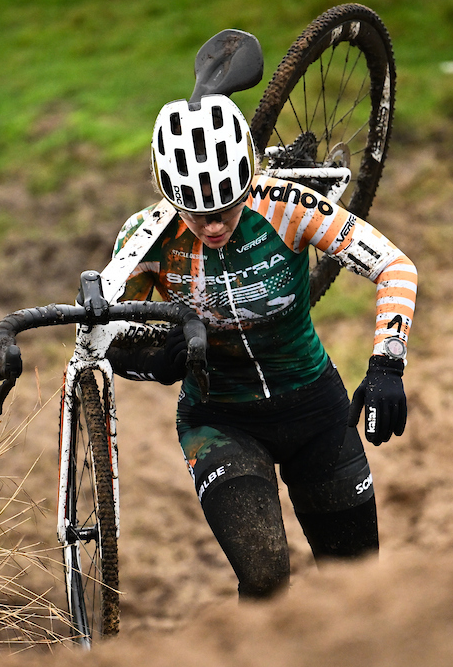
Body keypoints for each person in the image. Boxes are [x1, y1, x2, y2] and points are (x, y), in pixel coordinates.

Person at [107, 94, 417, 599]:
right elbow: (106, 340)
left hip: (316, 408)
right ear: (167, 193)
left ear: (248, 179)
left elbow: (394, 266)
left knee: (358, 586)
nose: (213, 225)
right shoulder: (145, 238)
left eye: (225, 207)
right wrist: (156, 361)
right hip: (219, 421)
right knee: (266, 582)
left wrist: (387, 363)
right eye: (196, 212)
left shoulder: (287, 205)